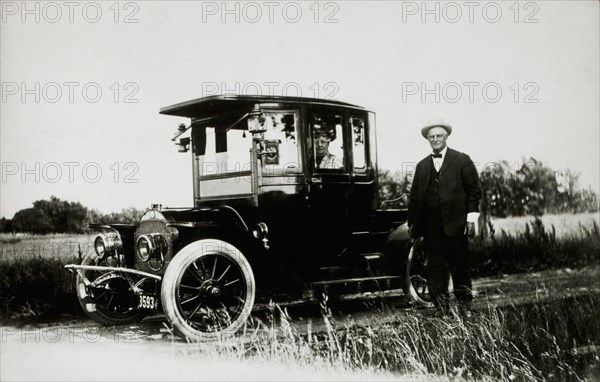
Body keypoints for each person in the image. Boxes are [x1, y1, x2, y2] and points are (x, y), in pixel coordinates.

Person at [407, 118, 481, 319]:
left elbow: (474, 191)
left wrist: (471, 218)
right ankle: (442, 309)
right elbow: (415, 196)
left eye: (439, 136)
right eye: (431, 137)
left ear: (446, 137)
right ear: (428, 140)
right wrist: (412, 224)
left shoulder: (461, 160)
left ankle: (465, 308)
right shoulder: (422, 166)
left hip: (456, 225)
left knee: (460, 268)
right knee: (435, 269)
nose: (435, 139)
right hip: (432, 227)